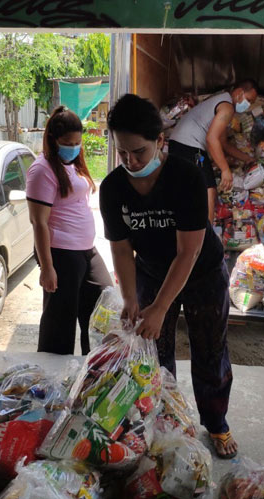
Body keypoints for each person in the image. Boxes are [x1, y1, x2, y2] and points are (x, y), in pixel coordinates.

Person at [101, 94, 237, 459]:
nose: (130, 161)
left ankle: (216, 422)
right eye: (122, 153)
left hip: (201, 272)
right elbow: (120, 248)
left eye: (139, 152)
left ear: (160, 141)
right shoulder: (112, 188)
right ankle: (164, 420)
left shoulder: (186, 177)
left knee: (209, 349)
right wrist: (131, 299)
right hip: (149, 270)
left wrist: (161, 306)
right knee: (152, 353)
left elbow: (188, 251)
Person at [26, 106, 112, 356]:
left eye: (77, 142)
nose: (74, 148)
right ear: (53, 140)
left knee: (102, 309)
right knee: (59, 325)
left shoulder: (72, 163)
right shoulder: (42, 170)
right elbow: (39, 223)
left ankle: (92, 370)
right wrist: (48, 267)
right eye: (68, 143)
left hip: (86, 250)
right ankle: (51, 382)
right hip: (61, 253)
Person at [168, 80, 259, 220]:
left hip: (179, 145)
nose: (248, 105)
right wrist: (225, 170)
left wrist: (247, 159)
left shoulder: (223, 103)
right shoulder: (227, 107)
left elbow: (223, 143)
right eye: (249, 100)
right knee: (208, 188)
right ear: (239, 93)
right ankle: (207, 233)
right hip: (189, 145)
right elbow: (211, 139)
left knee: (192, 187)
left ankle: (192, 227)